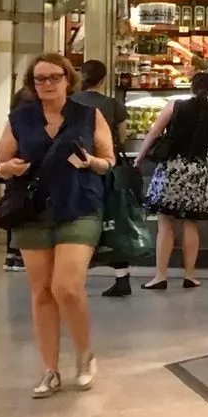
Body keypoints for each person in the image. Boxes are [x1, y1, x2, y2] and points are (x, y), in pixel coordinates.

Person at [0, 54, 116, 397]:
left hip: (79, 206)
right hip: (32, 213)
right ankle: (50, 370)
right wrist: (8, 168)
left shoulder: (88, 115)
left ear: (68, 80)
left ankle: (85, 354)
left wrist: (90, 161)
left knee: (67, 286)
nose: (47, 84)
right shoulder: (20, 119)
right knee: (42, 291)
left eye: (53, 77)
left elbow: (109, 162)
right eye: (40, 79)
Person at [132, 70, 208, 289]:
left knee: (165, 223)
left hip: (171, 166)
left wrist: (140, 157)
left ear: (191, 87)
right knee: (190, 222)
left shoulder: (175, 106)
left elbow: (154, 133)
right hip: (197, 167)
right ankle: (190, 274)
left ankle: (160, 275)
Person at [76, 60, 133, 296]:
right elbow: (123, 135)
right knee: (113, 220)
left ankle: (76, 276)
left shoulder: (71, 102)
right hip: (109, 170)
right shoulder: (112, 104)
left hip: (78, 169)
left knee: (79, 220)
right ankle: (122, 278)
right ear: (103, 80)